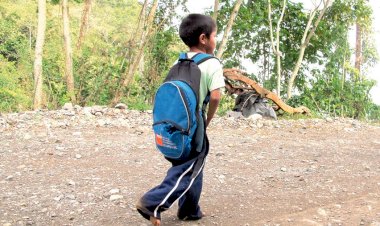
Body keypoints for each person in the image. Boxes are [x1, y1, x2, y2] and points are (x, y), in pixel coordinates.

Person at [136, 13, 225, 226]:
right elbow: (215, 96)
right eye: (214, 36)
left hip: (176, 125)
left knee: (192, 166)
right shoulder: (212, 64)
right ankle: (152, 202)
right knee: (188, 169)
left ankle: (189, 210)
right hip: (195, 124)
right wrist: (208, 120)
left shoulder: (180, 59)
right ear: (204, 38)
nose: (216, 40)